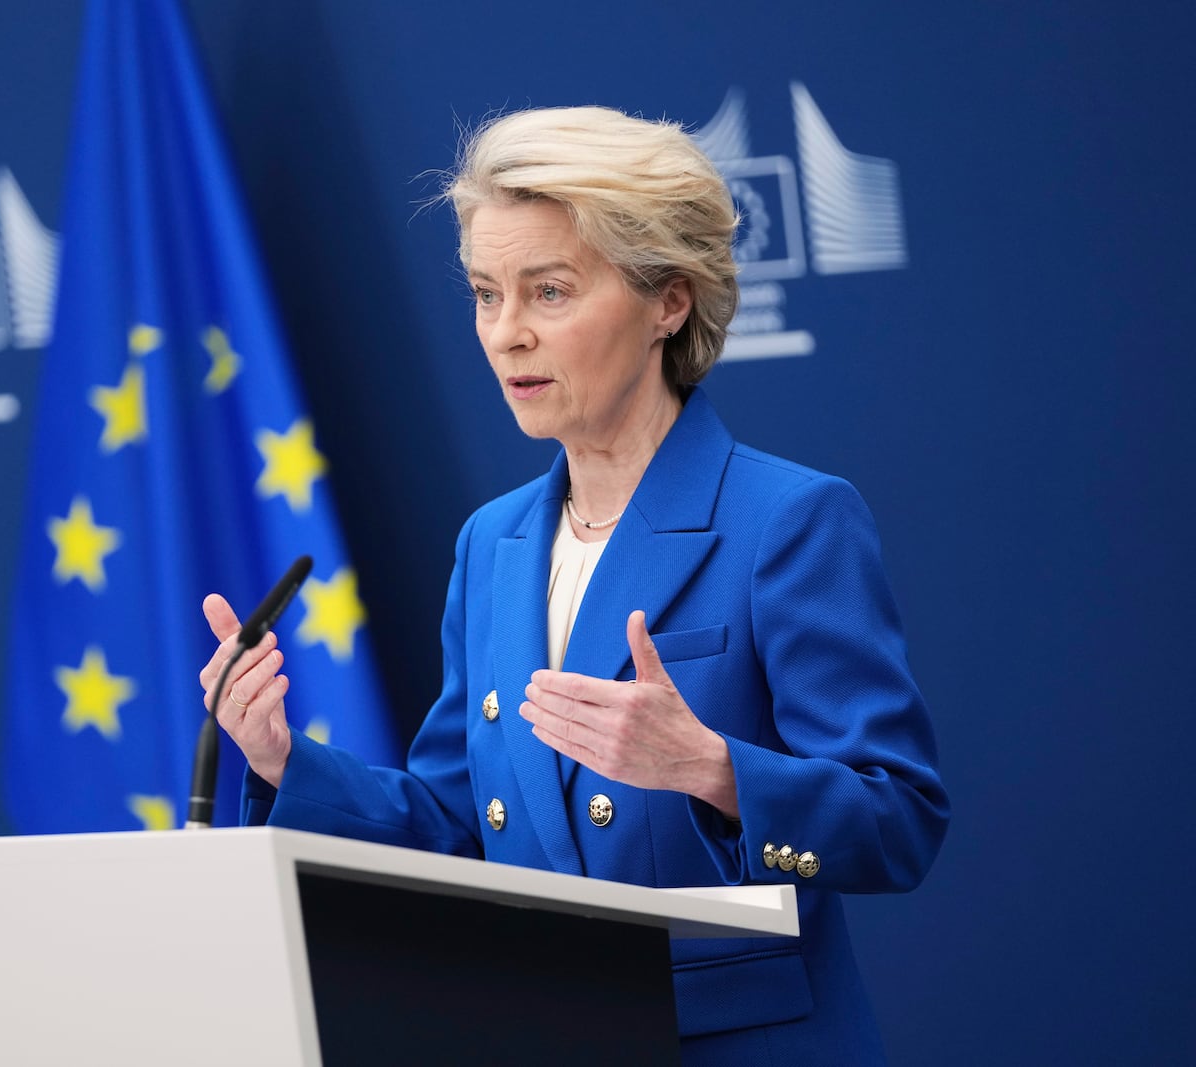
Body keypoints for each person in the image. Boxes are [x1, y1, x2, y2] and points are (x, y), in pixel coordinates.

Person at [199, 105, 949, 1063]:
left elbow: (898, 823)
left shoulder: (788, 520)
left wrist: (710, 768)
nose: (506, 335)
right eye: (484, 293)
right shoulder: (494, 542)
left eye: (549, 292)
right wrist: (278, 759)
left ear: (668, 300)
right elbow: (455, 824)